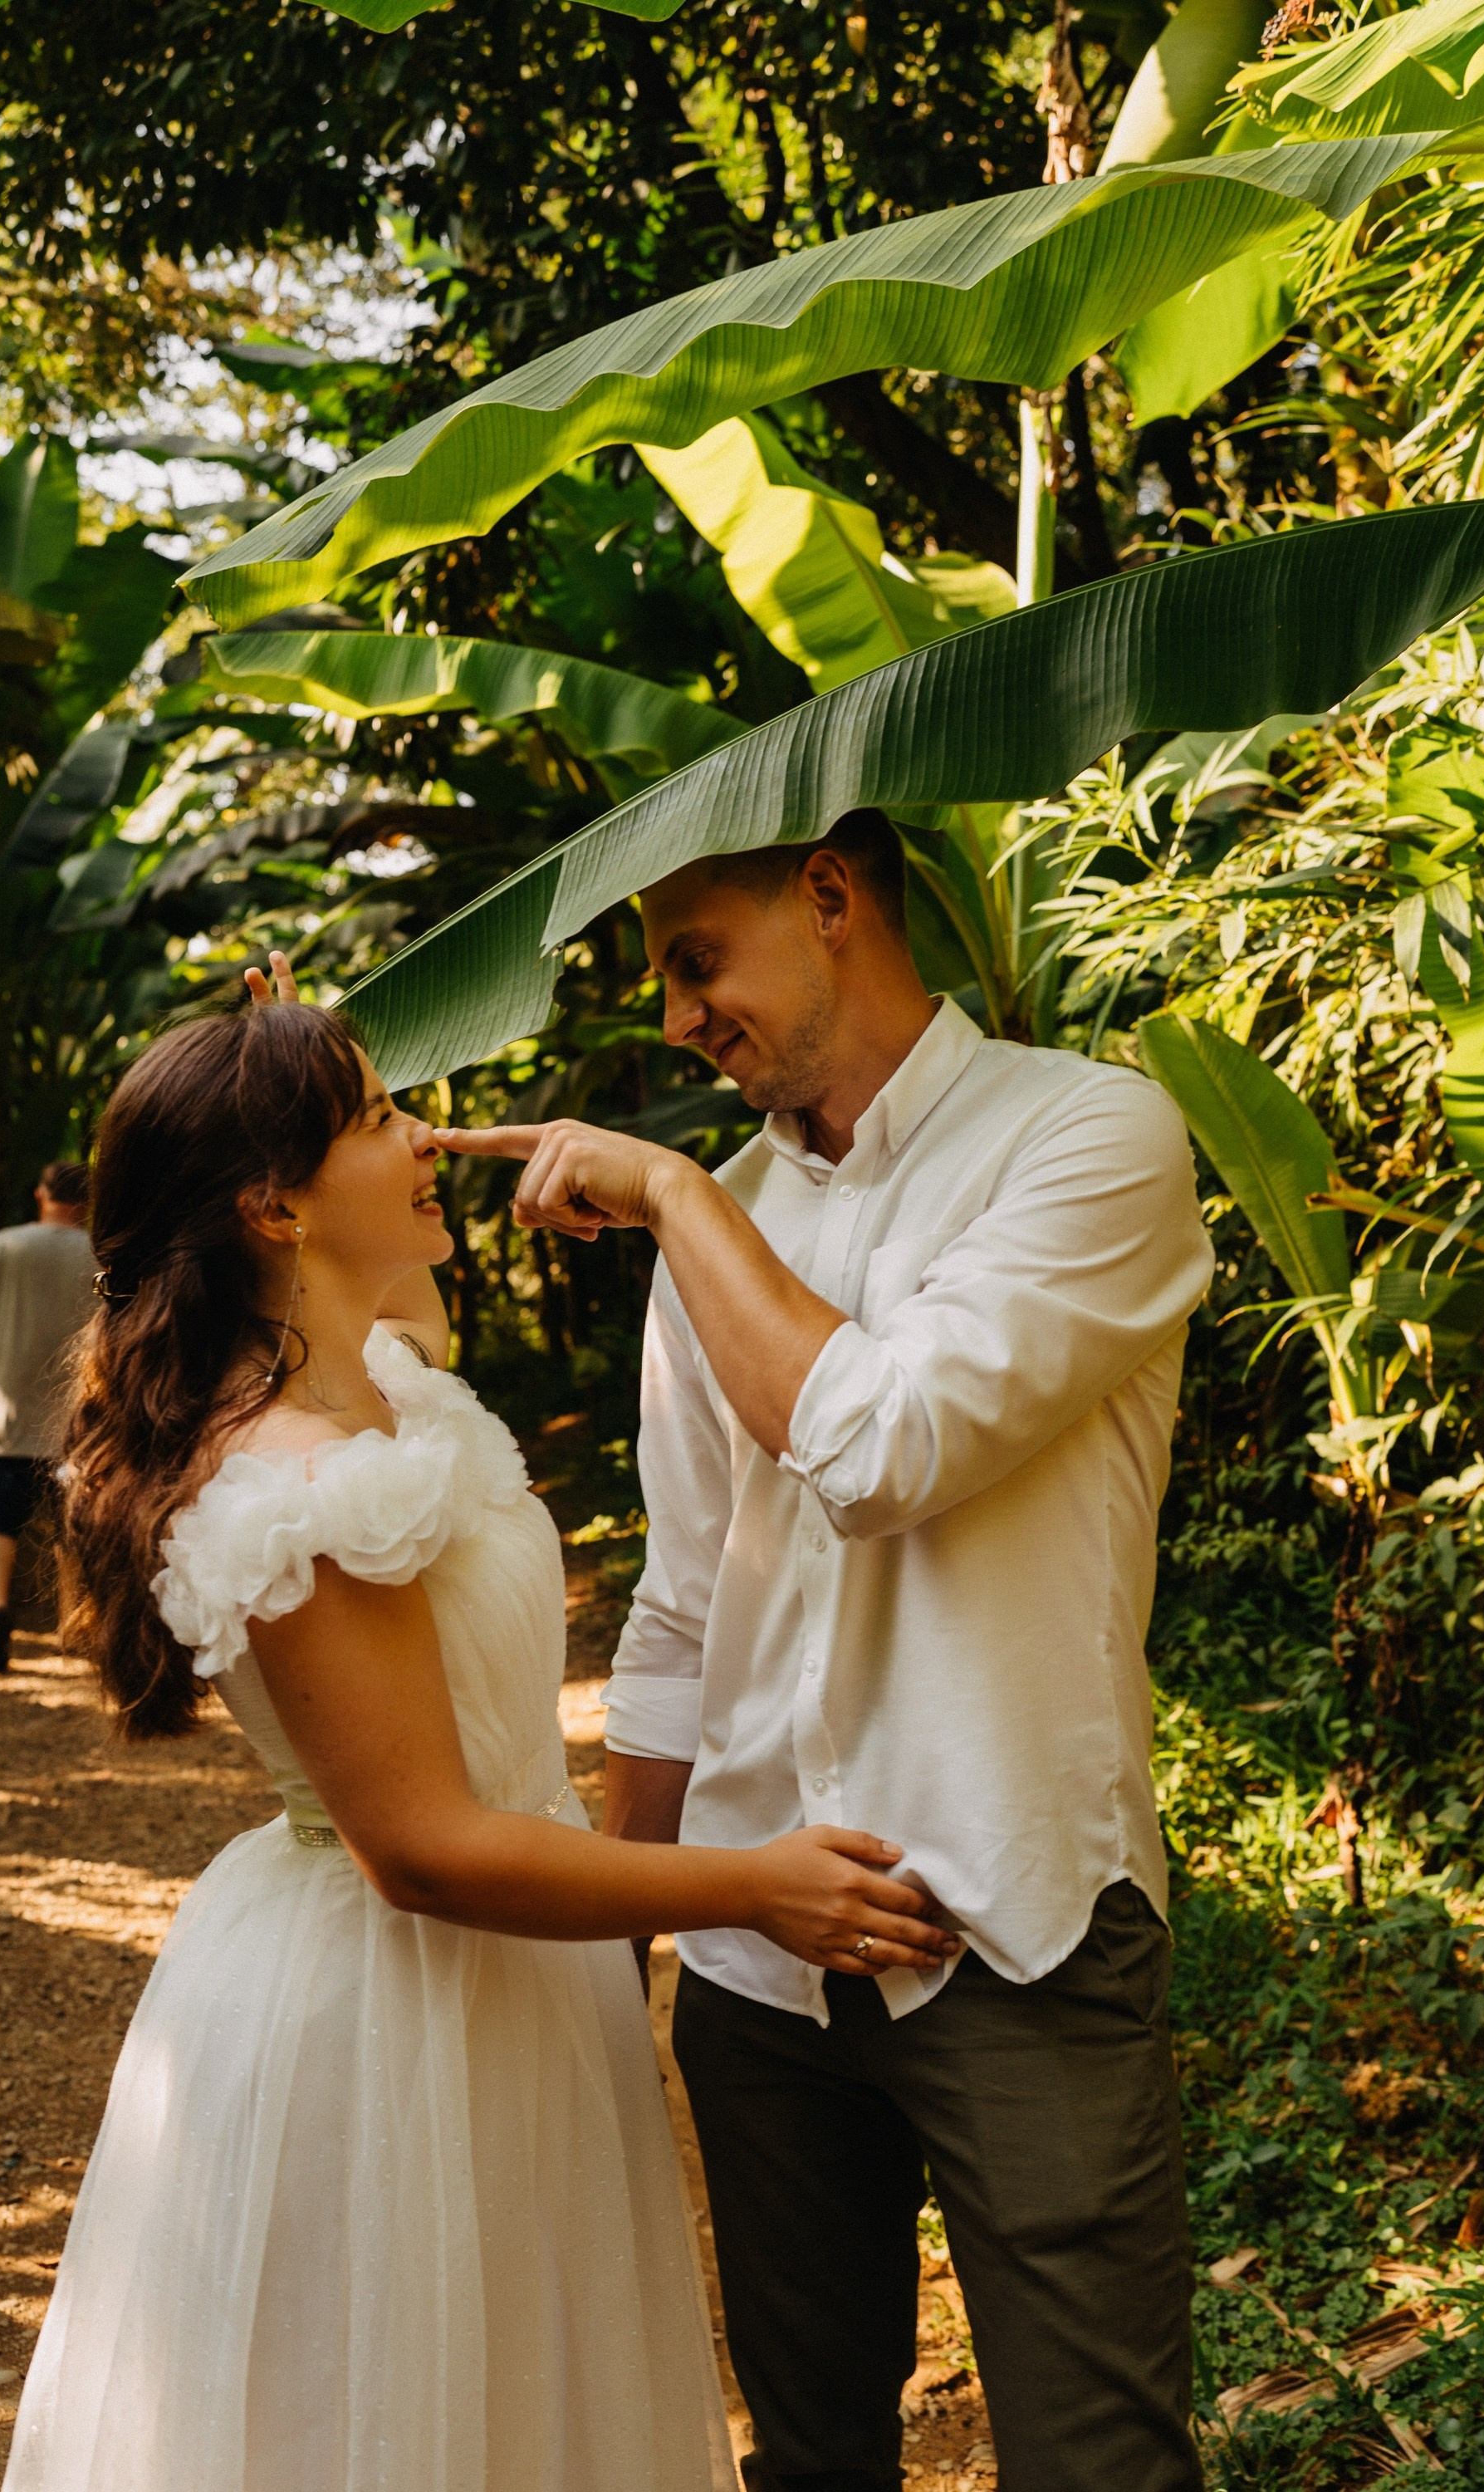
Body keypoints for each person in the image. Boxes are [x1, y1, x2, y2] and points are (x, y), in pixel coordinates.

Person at [3, 976, 956, 2492]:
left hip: (507, 1985)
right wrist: (753, 1884)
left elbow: (397, 1291)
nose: (430, 1139)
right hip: (404, 2005)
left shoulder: (366, 1377)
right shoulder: (306, 1487)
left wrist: (330, 1080)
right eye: (385, 1118)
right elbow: (427, 1853)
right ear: (274, 1207)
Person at [438, 809, 1217, 2492]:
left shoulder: (1089, 1134)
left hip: (1013, 1919)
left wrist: (664, 1193)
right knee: (807, 2459)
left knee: (1100, 2462)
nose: (676, 1022)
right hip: (754, 1960)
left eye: (694, 964)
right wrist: (624, 1931)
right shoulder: (719, 1213)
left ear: (829, 896)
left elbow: (880, 1450)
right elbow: (683, 1602)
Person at [0, 1160, 97, 1675]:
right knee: (74, 1526)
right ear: (87, 1202)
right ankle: (75, 1626)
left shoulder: (5, 1246)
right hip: (78, 1423)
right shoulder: (102, 1253)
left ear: (40, 1195)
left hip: (8, 1422)